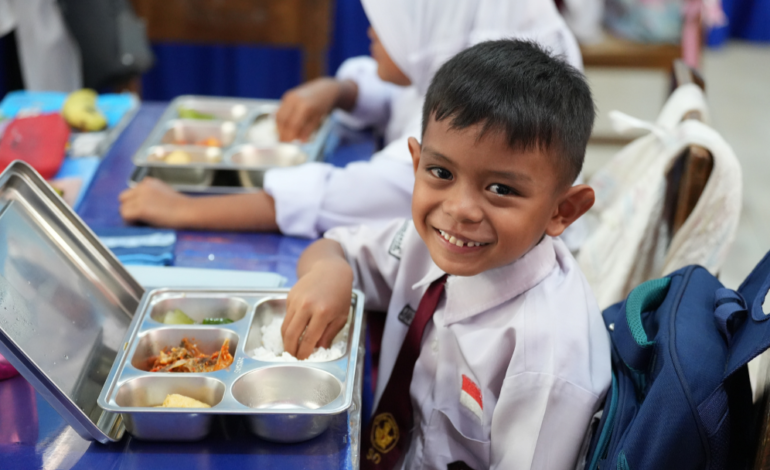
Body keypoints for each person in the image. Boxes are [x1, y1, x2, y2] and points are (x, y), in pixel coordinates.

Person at [280, 40, 611, 469]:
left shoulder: (545, 359)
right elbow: (335, 247)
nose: (459, 210)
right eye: (441, 172)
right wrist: (330, 269)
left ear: (562, 211)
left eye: (501, 189)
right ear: (416, 163)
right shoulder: (430, 242)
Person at [119, 0, 584, 241]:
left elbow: (341, 196)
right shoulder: (468, 52)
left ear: (432, 27)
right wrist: (340, 89)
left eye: (388, 22)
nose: (371, 32)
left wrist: (185, 209)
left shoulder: (482, 136)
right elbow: (405, 96)